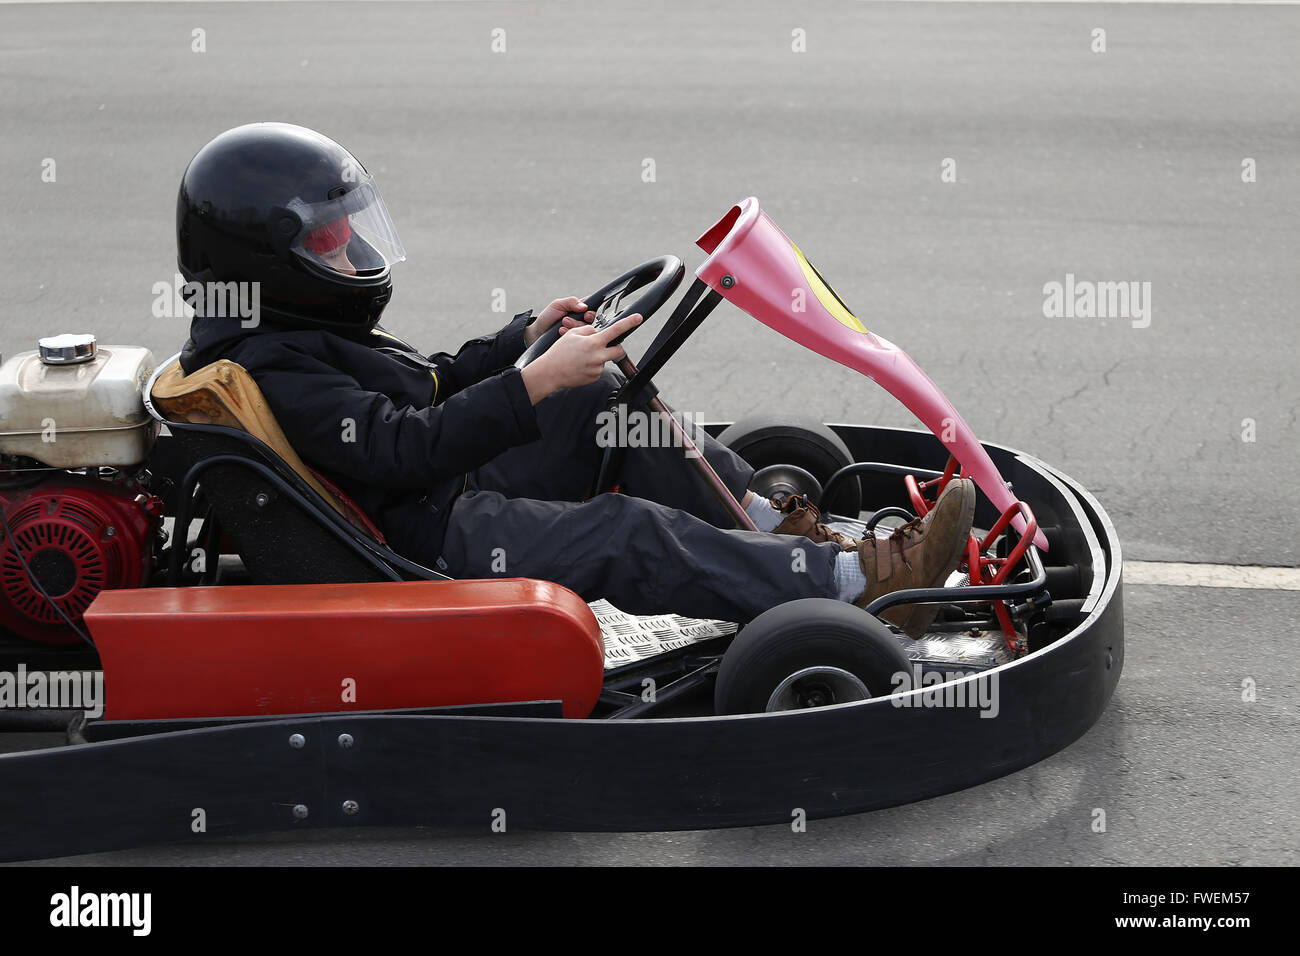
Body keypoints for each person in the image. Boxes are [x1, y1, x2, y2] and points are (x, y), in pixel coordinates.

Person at [176, 122, 975, 635]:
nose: (351, 257)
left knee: (602, 401)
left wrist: (520, 341)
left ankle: (782, 536)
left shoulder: (283, 328)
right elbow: (402, 448)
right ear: (262, 262)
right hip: (422, 542)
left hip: (425, 495)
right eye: (328, 246)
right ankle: (852, 585)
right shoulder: (273, 364)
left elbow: (423, 387)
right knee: (623, 531)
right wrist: (530, 384)